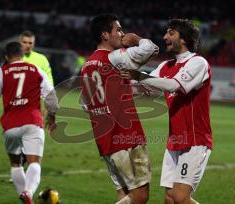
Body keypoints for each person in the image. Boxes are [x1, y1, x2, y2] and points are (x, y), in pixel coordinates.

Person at [121, 19, 213, 204]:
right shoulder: (165, 66)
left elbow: (174, 85)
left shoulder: (198, 62)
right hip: (175, 140)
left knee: (180, 197)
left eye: (171, 33)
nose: (165, 37)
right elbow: (143, 86)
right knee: (170, 198)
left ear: (184, 39)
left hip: (195, 139)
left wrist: (138, 76)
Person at [80, 13, 159, 204]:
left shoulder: (86, 66)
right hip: (125, 135)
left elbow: (84, 104)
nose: (122, 34)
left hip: (105, 139)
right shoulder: (115, 57)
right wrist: (135, 39)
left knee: (124, 193)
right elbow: (152, 49)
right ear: (105, 35)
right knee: (140, 196)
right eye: (119, 29)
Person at [0, 42, 59, 204]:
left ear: (7, 57)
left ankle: (26, 198)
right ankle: (28, 192)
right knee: (34, 162)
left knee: (16, 163)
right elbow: (51, 96)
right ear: (22, 55)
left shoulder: (1, 72)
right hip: (32, 122)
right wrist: (52, 116)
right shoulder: (35, 70)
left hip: (10, 125)